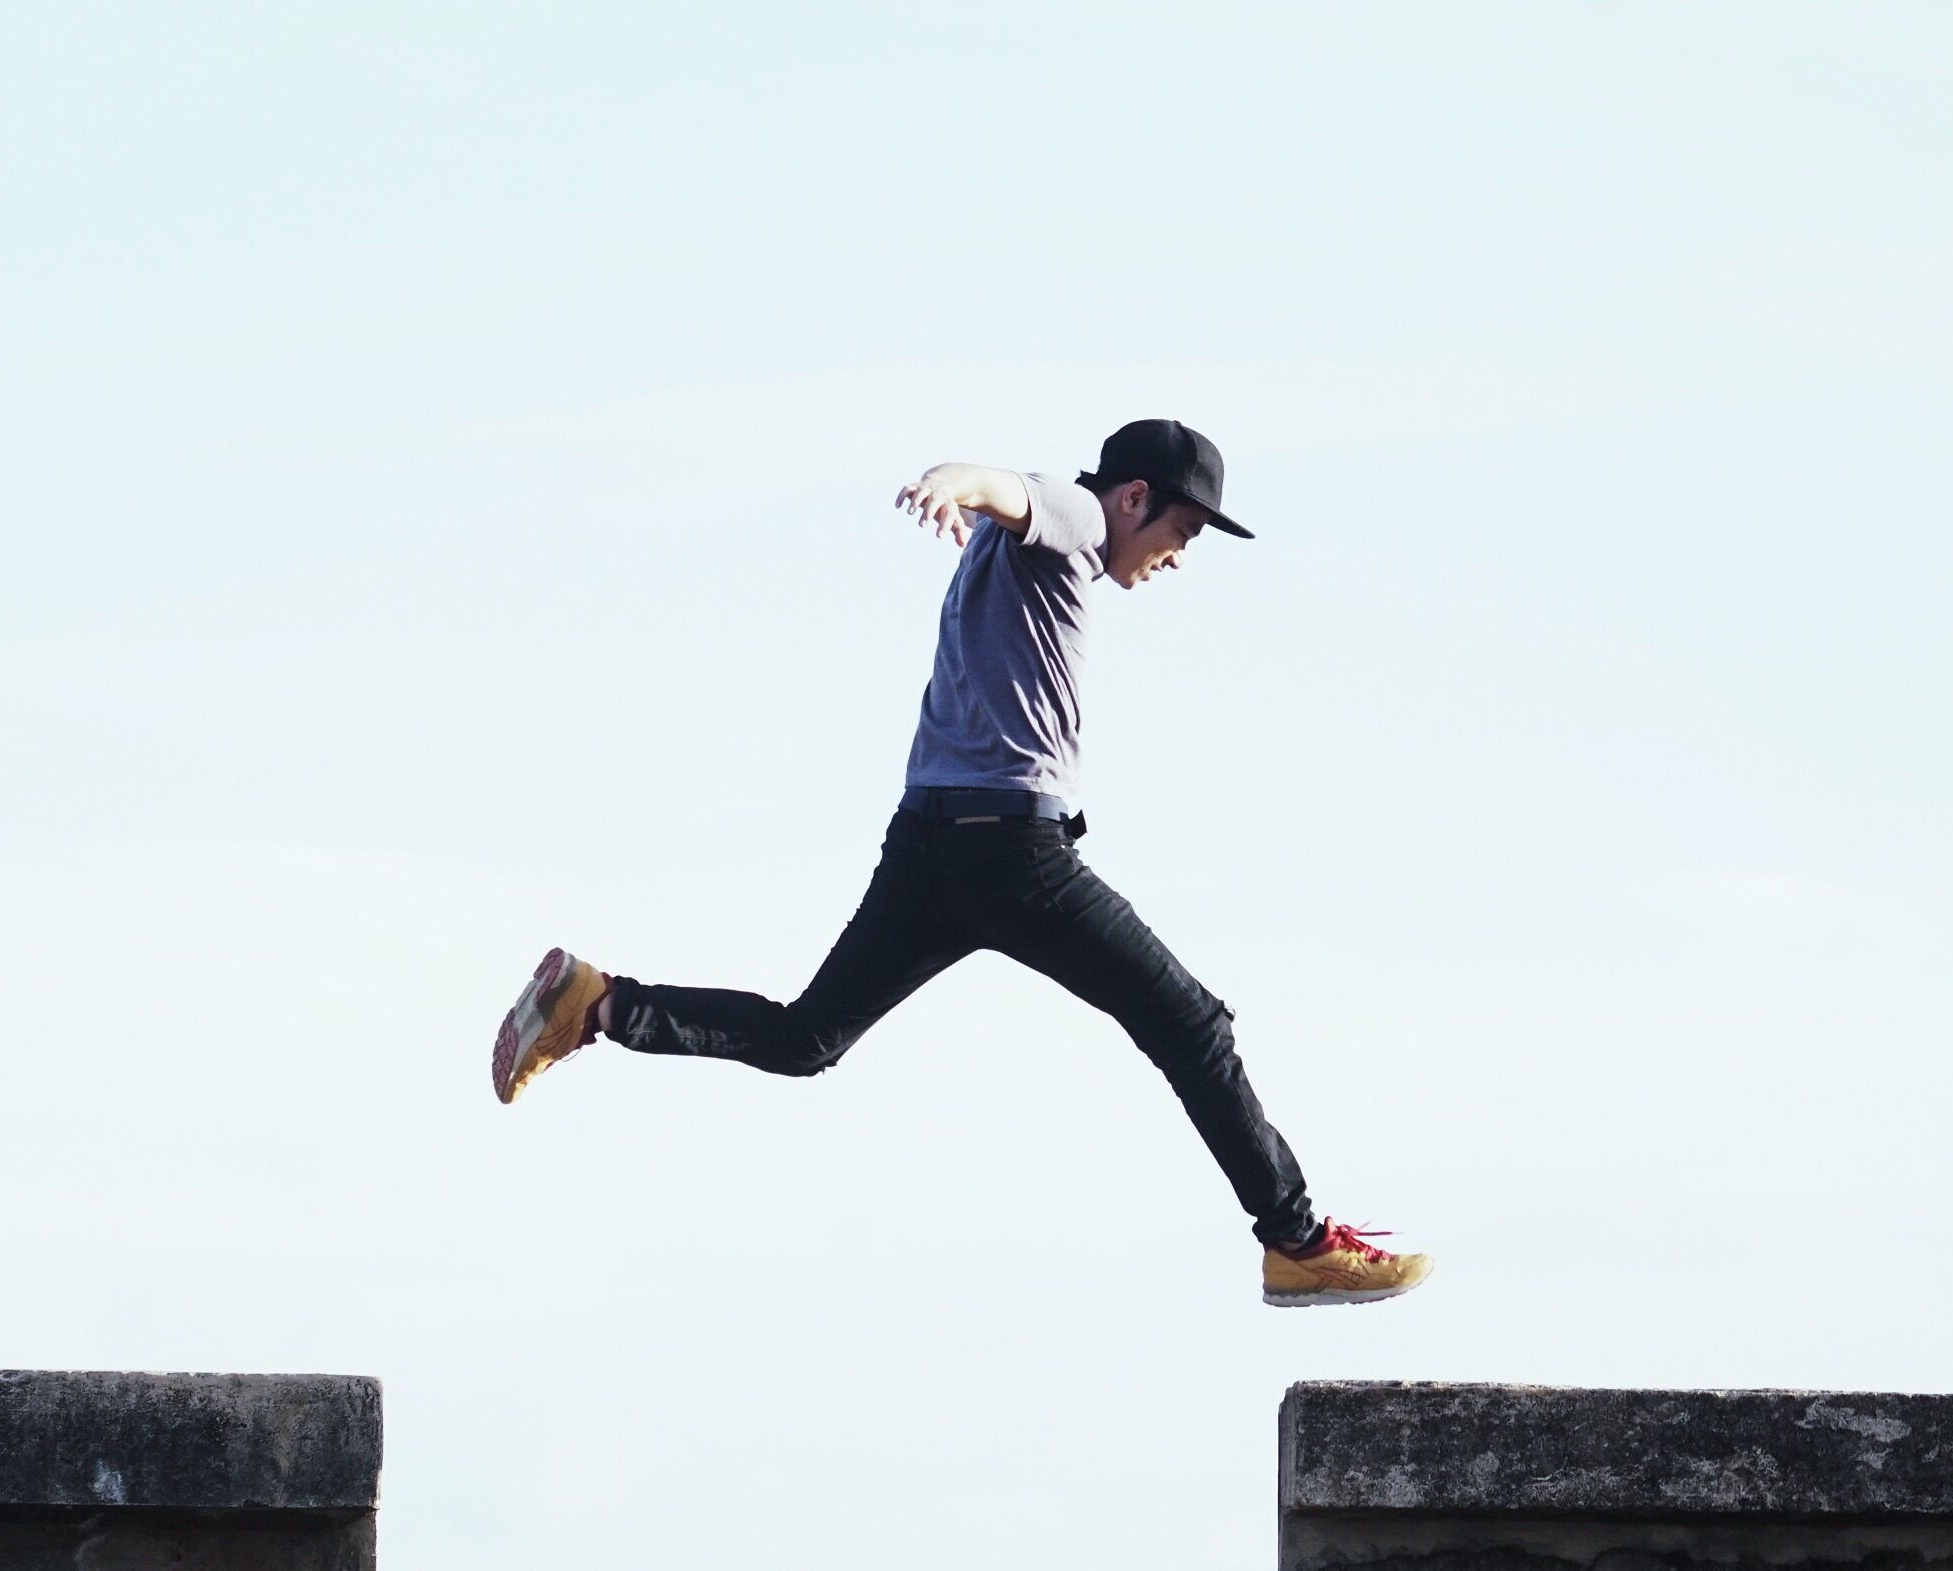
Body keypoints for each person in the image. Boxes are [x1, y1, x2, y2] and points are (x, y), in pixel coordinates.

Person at [488, 418, 1428, 1307]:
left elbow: (1005, 504)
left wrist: (971, 498)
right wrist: (954, 482)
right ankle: (1298, 1241)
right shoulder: (1079, 521)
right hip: (1014, 855)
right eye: (1181, 531)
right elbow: (1014, 490)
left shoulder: (1029, 560)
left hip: (927, 849)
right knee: (1192, 1027)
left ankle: (597, 1001)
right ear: (1135, 498)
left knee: (805, 1038)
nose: (1177, 556)